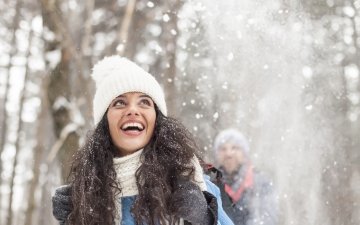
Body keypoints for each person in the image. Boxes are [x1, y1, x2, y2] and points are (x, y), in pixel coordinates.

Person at [51, 55, 234, 225]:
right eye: (119, 103)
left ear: (157, 120)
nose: (132, 110)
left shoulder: (189, 181)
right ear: (104, 122)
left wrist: (205, 218)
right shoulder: (87, 192)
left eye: (144, 102)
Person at [213, 129, 277, 225]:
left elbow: (267, 218)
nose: (229, 154)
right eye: (223, 149)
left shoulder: (261, 183)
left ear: (244, 153)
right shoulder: (211, 183)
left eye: (234, 148)